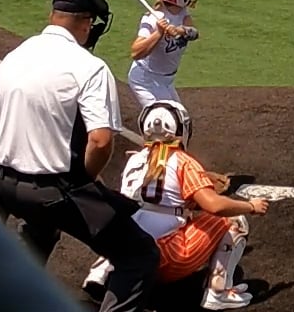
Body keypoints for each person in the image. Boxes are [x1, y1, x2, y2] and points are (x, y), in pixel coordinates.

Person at [0, 0, 158, 312]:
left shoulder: (16, 55)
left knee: (39, 230)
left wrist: (22, 153)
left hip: (5, 185)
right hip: (55, 191)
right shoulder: (88, 66)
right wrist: (83, 180)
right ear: (87, 24)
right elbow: (100, 141)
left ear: (53, 15)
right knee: (138, 253)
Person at [83, 100, 268, 310]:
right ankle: (219, 292)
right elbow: (214, 206)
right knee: (234, 221)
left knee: (132, 221)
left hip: (126, 253)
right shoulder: (183, 161)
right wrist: (251, 206)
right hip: (164, 258)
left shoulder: (134, 160)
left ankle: (103, 270)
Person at [128, 0, 197, 113]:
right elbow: (136, 52)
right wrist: (158, 33)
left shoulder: (182, 13)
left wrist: (180, 30)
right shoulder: (152, 19)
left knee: (181, 117)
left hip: (167, 80)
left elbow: (194, 33)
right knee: (166, 118)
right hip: (146, 79)